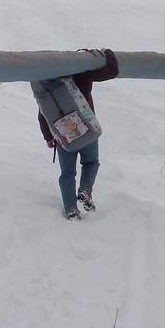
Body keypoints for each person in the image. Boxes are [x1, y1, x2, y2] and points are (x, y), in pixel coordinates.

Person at [37, 50, 119, 220]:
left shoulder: (50, 83)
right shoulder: (82, 75)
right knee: (91, 162)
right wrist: (107, 54)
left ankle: (71, 210)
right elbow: (111, 71)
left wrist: (49, 137)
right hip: (87, 130)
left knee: (67, 173)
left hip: (63, 136)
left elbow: (43, 114)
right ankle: (85, 190)